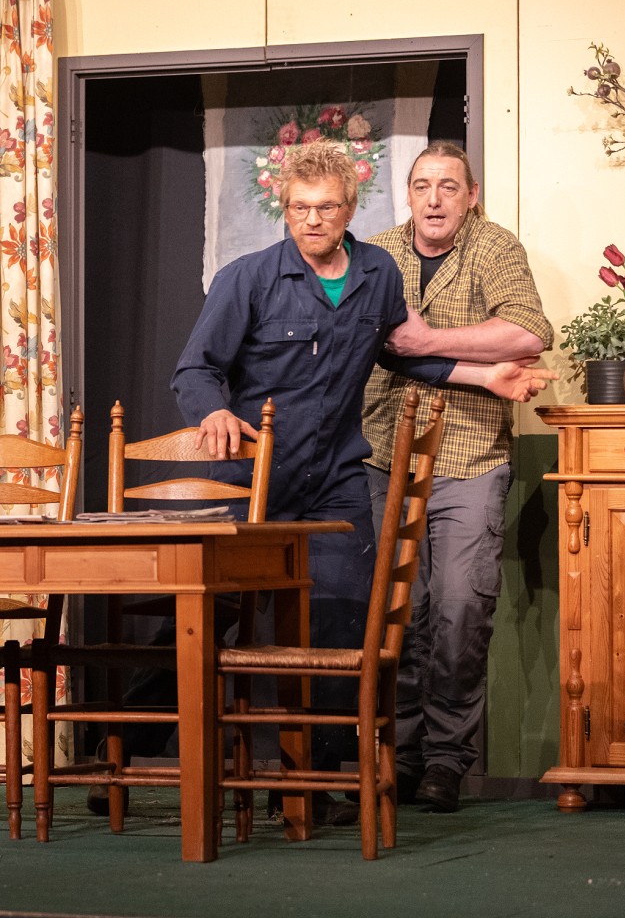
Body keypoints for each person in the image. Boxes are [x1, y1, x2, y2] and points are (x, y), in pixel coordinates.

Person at [170, 138, 556, 825]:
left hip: (337, 479)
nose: (312, 219)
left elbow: (401, 355)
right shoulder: (247, 278)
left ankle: (318, 782)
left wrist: (484, 378)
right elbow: (195, 369)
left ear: (349, 209)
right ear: (285, 209)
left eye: (325, 207)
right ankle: (138, 740)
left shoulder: (377, 273)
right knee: (212, 617)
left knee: (346, 624)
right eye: (299, 207)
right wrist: (214, 411)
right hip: (255, 480)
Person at [361, 140, 555, 813]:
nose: (434, 198)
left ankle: (446, 758)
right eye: (422, 186)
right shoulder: (377, 254)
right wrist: (468, 356)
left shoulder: (494, 247)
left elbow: (528, 334)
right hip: (383, 455)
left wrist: (427, 340)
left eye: (449, 186)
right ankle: (402, 754)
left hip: (470, 456)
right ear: (408, 195)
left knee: (459, 609)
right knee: (400, 611)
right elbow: (372, 341)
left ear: (471, 196)